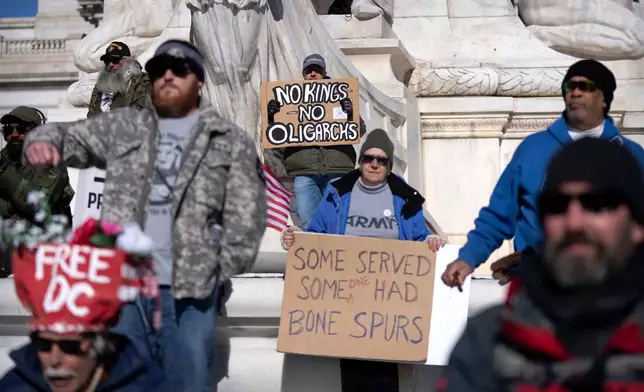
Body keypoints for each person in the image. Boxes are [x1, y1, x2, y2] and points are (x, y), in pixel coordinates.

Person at [23, 39, 267, 392]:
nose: (168, 76)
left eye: (179, 70)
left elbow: (249, 212)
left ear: (198, 81)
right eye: (159, 70)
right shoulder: (124, 129)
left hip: (189, 292)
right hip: (125, 290)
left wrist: (219, 263)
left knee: (187, 381)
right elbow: (68, 138)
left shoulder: (227, 140)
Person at [440, 138, 644, 391]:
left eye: (596, 204)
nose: (574, 223)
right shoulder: (488, 342)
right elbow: (497, 218)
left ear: (637, 223)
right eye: (557, 206)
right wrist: (468, 256)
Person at [441, 59, 644, 288]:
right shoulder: (533, 149)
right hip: (540, 285)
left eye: (586, 87)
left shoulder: (631, 155)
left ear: (604, 98)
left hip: (614, 286)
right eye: (570, 87)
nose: (576, 93)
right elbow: (499, 215)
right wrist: (468, 258)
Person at [282, 128, 447, 392]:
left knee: (386, 375)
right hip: (347, 299)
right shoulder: (338, 192)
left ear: (389, 166)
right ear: (360, 162)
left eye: (381, 160)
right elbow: (317, 234)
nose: (374, 164)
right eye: (369, 158)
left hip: (391, 303)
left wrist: (430, 242)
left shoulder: (405, 197)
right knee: (352, 374)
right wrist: (295, 240)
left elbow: (419, 238)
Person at [0, 222, 168, 391]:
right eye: (44, 345)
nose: (55, 360)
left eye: (70, 348)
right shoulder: (14, 387)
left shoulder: (147, 386)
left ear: (100, 346)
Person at [264, 53, 366, 230]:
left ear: (324, 72)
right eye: (308, 70)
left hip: (337, 170)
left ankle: (337, 255)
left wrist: (350, 114)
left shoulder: (340, 96)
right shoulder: (289, 101)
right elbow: (277, 140)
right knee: (307, 220)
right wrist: (273, 117)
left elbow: (360, 130)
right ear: (303, 74)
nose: (312, 74)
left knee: (339, 219)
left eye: (317, 70)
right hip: (304, 172)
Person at [0, 106, 75, 277]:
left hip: (42, 264)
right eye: (8, 129)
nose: (14, 134)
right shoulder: (2, 161)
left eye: (20, 129)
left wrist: (6, 174)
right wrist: (12, 208)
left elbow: (38, 206)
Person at [87, 41, 151, 117]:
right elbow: (91, 115)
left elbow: (136, 115)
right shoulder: (100, 85)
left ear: (128, 60)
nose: (110, 65)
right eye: (107, 61)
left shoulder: (143, 81)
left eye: (115, 60)